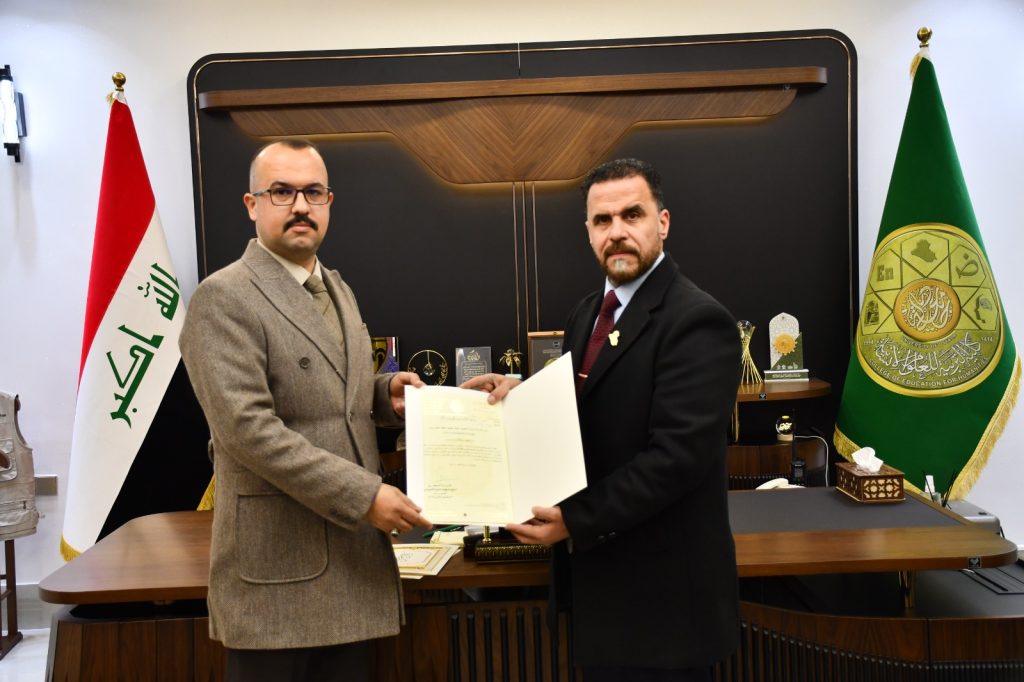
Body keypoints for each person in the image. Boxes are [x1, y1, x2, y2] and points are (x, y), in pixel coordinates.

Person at [464, 158, 741, 681]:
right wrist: (521, 395)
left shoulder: (697, 320)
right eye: (602, 220)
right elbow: (590, 405)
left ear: (662, 222)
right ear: (588, 232)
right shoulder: (588, 311)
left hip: (665, 612)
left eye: (632, 215)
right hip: (602, 596)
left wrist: (574, 520)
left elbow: (676, 460)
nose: (617, 232)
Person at [179, 139, 430, 682]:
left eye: (313, 192)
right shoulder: (222, 298)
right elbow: (248, 431)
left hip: (351, 566)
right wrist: (365, 496)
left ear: (329, 202)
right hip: (278, 575)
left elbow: (330, 392)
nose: (300, 206)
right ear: (252, 205)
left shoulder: (336, 288)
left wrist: (383, 395)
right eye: (281, 192)